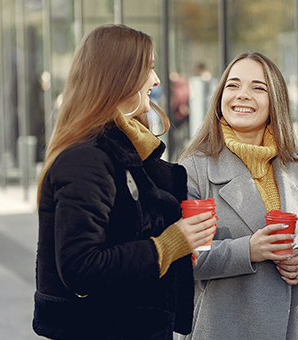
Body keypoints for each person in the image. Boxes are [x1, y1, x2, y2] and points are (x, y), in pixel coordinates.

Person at [33, 24, 216, 340]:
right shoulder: (87, 159)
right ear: (120, 76)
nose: (156, 81)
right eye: (150, 69)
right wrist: (167, 245)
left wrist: (178, 250)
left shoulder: (124, 153)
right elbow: (81, 267)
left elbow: (126, 234)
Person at [178, 52, 298, 340]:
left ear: (275, 101)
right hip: (223, 326)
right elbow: (186, 256)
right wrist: (248, 249)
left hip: (297, 326)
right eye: (233, 85)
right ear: (220, 98)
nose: (243, 95)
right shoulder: (194, 167)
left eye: (258, 87)